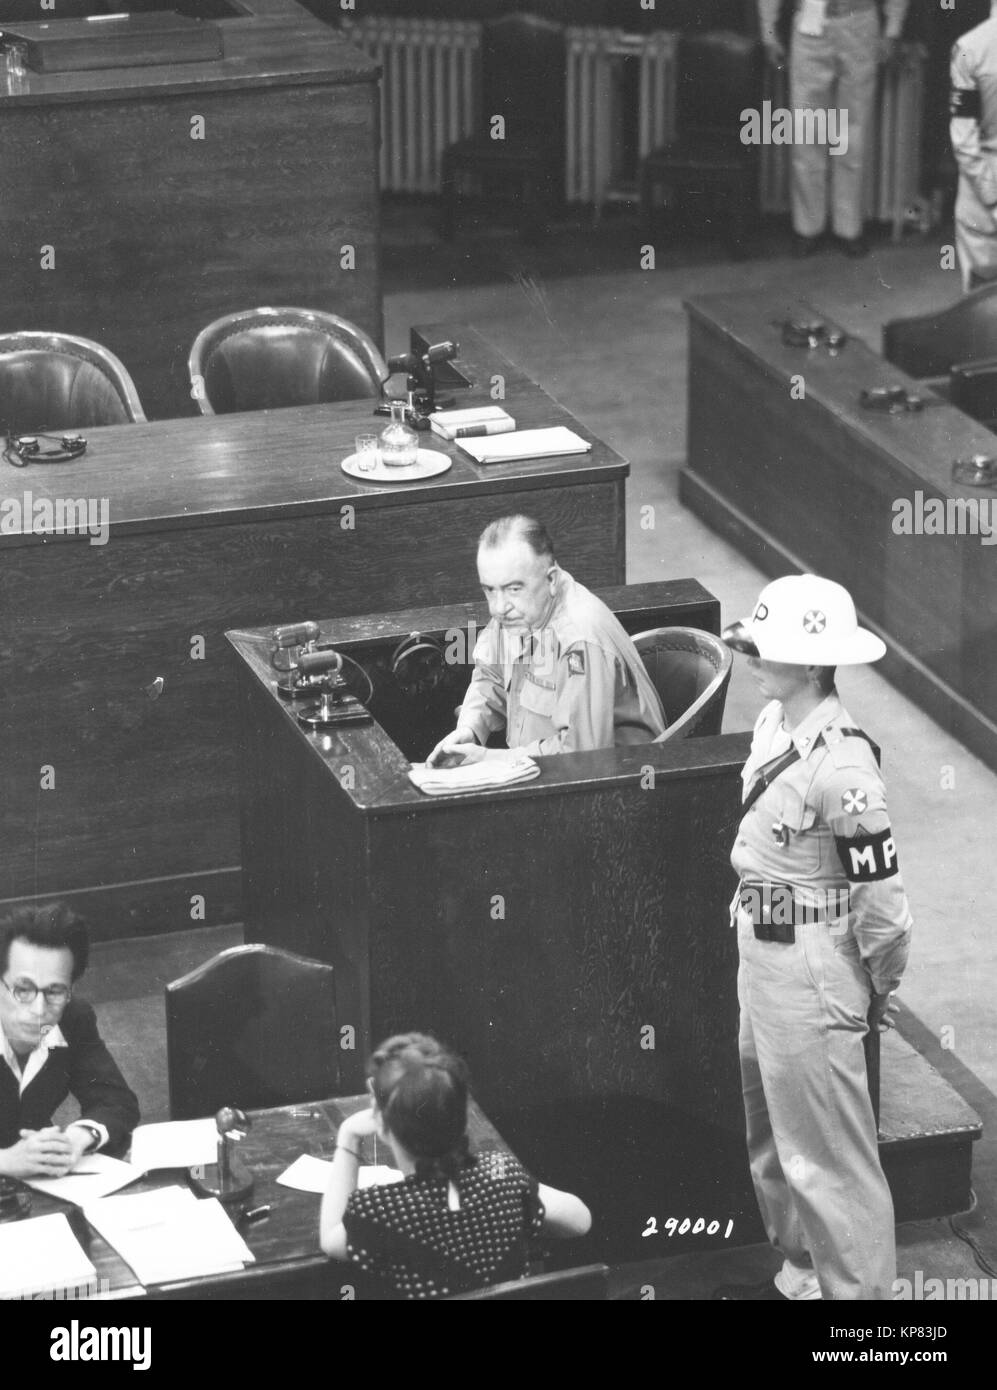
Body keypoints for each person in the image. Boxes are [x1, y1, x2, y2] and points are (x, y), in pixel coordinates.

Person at [714, 574, 912, 1301]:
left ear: (810, 664)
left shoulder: (845, 767)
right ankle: (802, 1271)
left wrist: (878, 986)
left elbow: (882, 903)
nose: (750, 656)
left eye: (765, 648)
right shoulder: (775, 724)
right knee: (771, 1131)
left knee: (827, 1155)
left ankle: (861, 1320)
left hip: (810, 964)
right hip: (762, 950)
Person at [320, 1032, 591, 1298]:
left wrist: (348, 1137)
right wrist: (520, 1191)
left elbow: (331, 1239)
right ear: (462, 1116)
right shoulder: (503, 1171)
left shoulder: (379, 1211)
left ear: (380, 1122)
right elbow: (581, 1221)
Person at [426, 515, 666, 766]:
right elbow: (490, 675)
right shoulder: (520, 610)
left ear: (551, 580)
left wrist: (490, 760)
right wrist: (470, 728)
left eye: (514, 589)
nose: (498, 607)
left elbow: (582, 758)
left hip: (615, 787)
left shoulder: (580, 640)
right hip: (540, 775)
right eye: (489, 590)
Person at [757, 0, 909, 257]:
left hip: (859, 22)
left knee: (852, 134)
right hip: (810, 26)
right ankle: (808, 227)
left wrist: (893, 29)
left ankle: (848, 228)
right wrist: (769, 33)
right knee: (807, 133)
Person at [0, 902, 139, 1180]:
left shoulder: (74, 1018)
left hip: (36, 1186)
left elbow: (116, 1100)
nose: (39, 1010)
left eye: (55, 991)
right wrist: (4, 1161)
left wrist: (76, 1139)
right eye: (23, 989)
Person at [950, 3, 997, 291]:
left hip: (982, 191)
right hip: (984, 195)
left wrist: (992, 198)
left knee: (983, 308)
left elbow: (964, 141)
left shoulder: (970, 46)